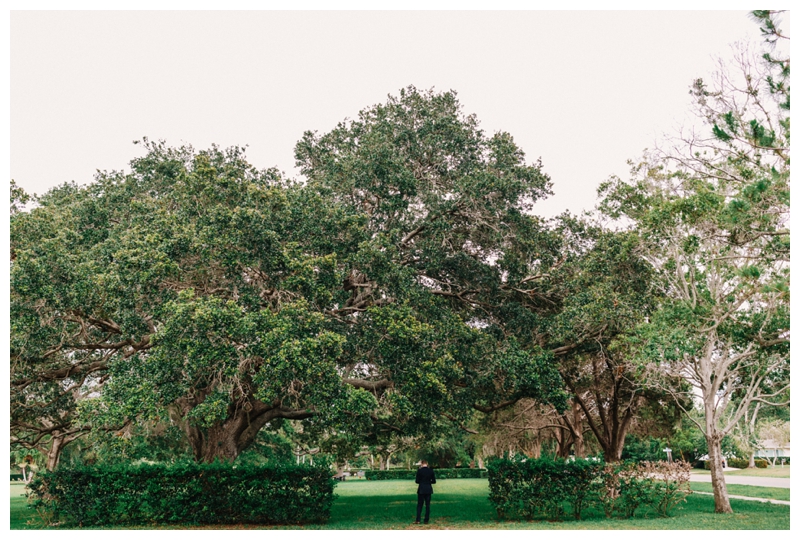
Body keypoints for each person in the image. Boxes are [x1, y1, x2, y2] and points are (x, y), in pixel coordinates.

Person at [414, 460, 436, 524]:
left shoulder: (419, 471)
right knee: (427, 505)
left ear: (421, 464)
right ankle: (426, 520)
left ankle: (418, 520)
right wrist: (428, 482)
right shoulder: (430, 471)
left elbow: (417, 481)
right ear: (427, 464)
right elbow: (434, 481)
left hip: (421, 489)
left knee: (419, 505)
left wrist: (422, 482)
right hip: (428, 489)